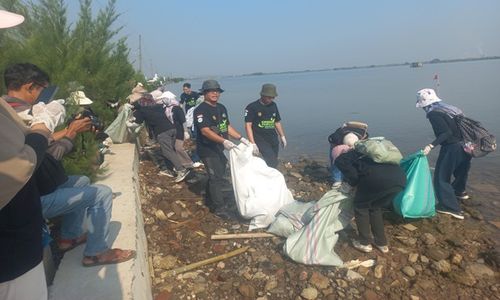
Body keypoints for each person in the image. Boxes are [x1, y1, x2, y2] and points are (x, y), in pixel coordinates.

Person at [5, 63, 136, 268]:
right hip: (30, 200)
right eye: (42, 90)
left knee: (81, 180)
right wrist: (71, 132)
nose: (43, 97)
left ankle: (69, 238)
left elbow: (42, 142)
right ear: (30, 87)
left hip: (34, 190)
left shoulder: (11, 113)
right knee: (101, 193)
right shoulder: (24, 117)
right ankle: (96, 253)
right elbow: (45, 153)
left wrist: (68, 131)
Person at [0, 52, 62, 300]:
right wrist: (42, 129)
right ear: (29, 87)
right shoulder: (15, 113)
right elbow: (20, 165)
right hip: (13, 253)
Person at [335, 137, 406, 253]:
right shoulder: (377, 156)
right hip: (400, 180)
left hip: (377, 180)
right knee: (375, 208)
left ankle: (364, 243)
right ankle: (381, 243)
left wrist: (352, 184)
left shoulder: (349, 155)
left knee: (360, 207)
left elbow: (347, 169)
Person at [194, 80, 249, 219]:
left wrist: (241, 138)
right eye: (211, 91)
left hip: (220, 148)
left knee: (219, 173)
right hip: (208, 149)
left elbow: (226, 126)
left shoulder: (221, 108)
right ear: (205, 93)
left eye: (217, 91)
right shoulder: (200, 110)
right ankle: (219, 208)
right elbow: (205, 131)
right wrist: (223, 141)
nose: (215, 93)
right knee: (215, 177)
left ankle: (209, 198)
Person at [416, 88, 471, 220]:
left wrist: (431, 145)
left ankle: (451, 208)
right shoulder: (449, 109)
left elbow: (446, 133)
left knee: (441, 177)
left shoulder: (433, 114)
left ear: (425, 104)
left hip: (452, 147)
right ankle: (459, 192)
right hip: (466, 145)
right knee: (461, 170)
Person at [132, 94, 191, 182]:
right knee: (171, 150)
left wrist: (129, 123)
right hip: (172, 128)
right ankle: (171, 169)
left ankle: (181, 170)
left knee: (168, 152)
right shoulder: (158, 106)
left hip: (162, 132)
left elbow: (137, 123)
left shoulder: (141, 111)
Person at [244, 83, 286, 168]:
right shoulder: (252, 107)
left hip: (273, 138)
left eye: (273, 97)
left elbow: (277, 122)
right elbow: (248, 125)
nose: (271, 99)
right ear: (262, 95)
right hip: (260, 139)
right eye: (269, 97)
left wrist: (282, 136)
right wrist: (253, 143)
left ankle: (267, 175)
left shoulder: (273, 105)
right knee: (272, 161)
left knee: (274, 159)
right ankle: (271, 177)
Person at [158, 91, 199, 169]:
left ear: (169, 99)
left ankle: (188, 163)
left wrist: (186, 131)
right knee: (172, 148)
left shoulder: (177, 109)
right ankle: (179, 163)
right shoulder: (165, 109)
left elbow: (183, 121)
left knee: (178, 147)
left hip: (179, 131)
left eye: (164, 99)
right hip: (170, 131)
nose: (163, 101)